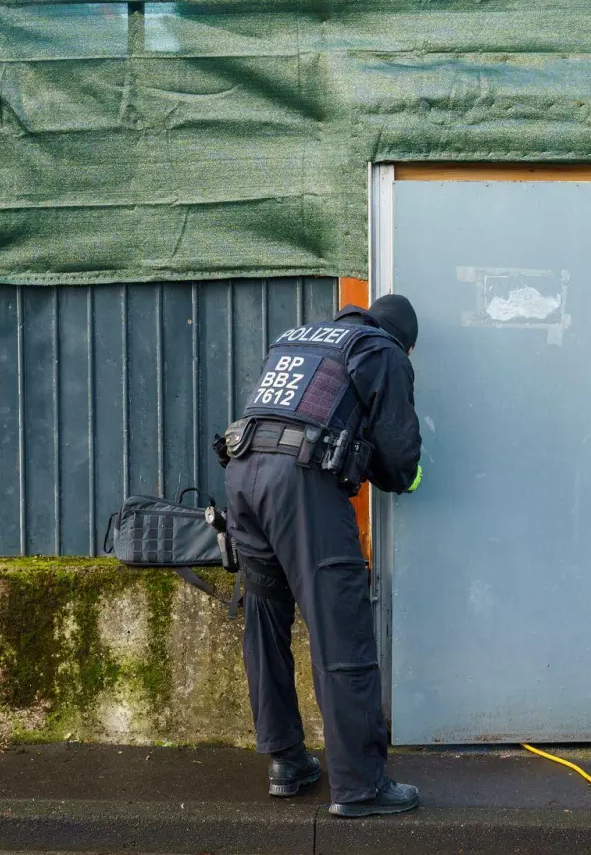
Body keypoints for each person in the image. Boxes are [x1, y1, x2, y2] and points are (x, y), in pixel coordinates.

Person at [219, 294, 423, 818]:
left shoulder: (296, 339)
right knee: (342, 630)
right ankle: (360, 787)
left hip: (242, 475)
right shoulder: (382, 349)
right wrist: (397, 476)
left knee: (265, 624)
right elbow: (400, 456)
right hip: (300, 487)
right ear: (402, 337)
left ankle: (287, 762)